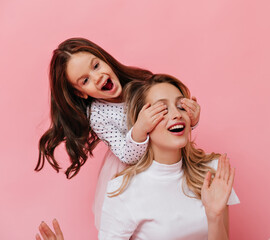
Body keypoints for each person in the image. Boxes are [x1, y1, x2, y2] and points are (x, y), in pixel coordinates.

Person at [35, 38, 201, 228]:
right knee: (139, 221)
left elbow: (171, 121)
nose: (97, 77)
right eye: (86, 80)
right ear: (81, 93)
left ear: (105, 59)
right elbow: (126, 155)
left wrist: (190, 118)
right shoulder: (98, 115)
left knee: (173, 214)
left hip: (161, 160)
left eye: (96, 65)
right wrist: (140, 127)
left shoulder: (140, 83)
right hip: (131, 169)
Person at [99, 74, 240, 239]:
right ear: (141, 124)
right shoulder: (123, 190)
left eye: (181, 106)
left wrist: (215, 216)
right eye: (162, 110)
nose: (176, 115)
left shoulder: (213, 171)